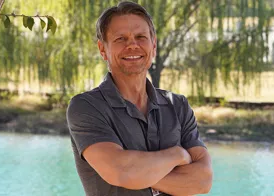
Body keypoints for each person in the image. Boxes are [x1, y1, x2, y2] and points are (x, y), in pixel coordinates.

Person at [66, 1, 213, 196]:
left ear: (153, 45)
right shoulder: (87, 107)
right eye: (120, 39)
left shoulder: (178, 105)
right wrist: (177, 155)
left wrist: (140, 177)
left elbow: (202, 181)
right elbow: (122, 171)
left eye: (140, 37)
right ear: (103, 49)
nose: (132, 45)